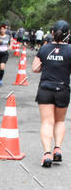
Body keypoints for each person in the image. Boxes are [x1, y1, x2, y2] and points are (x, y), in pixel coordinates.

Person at [32, 19, 71, 167]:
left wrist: (48, 64)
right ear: (67, 35)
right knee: (60, 121)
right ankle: (58, 150)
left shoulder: (44, 48)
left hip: (45, 89)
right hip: (62, 89)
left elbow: (35, 69)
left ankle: (47, 154)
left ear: (52, 33)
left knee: (47, 122)